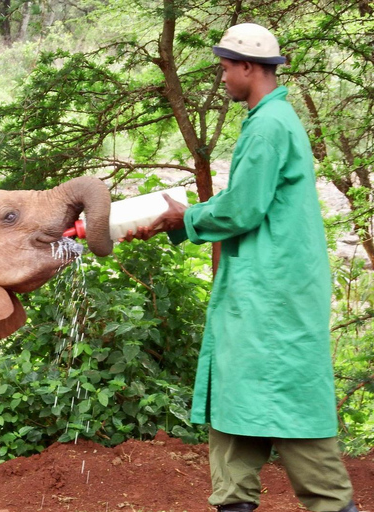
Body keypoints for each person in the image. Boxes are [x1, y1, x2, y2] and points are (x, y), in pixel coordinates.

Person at [124, 23, 359, 512]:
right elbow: (244, 200)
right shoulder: (266, 120)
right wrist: (181, 220)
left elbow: (243, 209)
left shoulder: (271, 125)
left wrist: (182, 217)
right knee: (235, 403)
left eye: (227, 68)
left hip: (272, 295)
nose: (223, 78)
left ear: (249, 67)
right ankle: (234, 500)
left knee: (285, 405)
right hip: (262, 289)